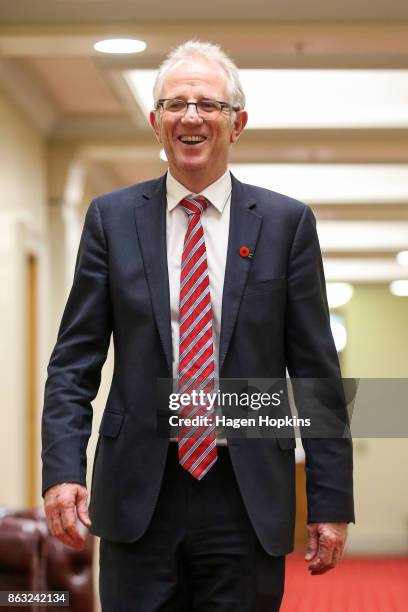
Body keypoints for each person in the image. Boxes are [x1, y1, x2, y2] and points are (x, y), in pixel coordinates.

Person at [42, 40, 354, 611]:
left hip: (246, 492)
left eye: (208, 105)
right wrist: (62, 469)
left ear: (237, 124)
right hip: (138, 494)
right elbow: (74, 362)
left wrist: (331, 499)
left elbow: (316, 372)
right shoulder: (111, 220)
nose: (191, 116)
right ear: (155, 121)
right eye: (176, 103)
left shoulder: (286, 225)